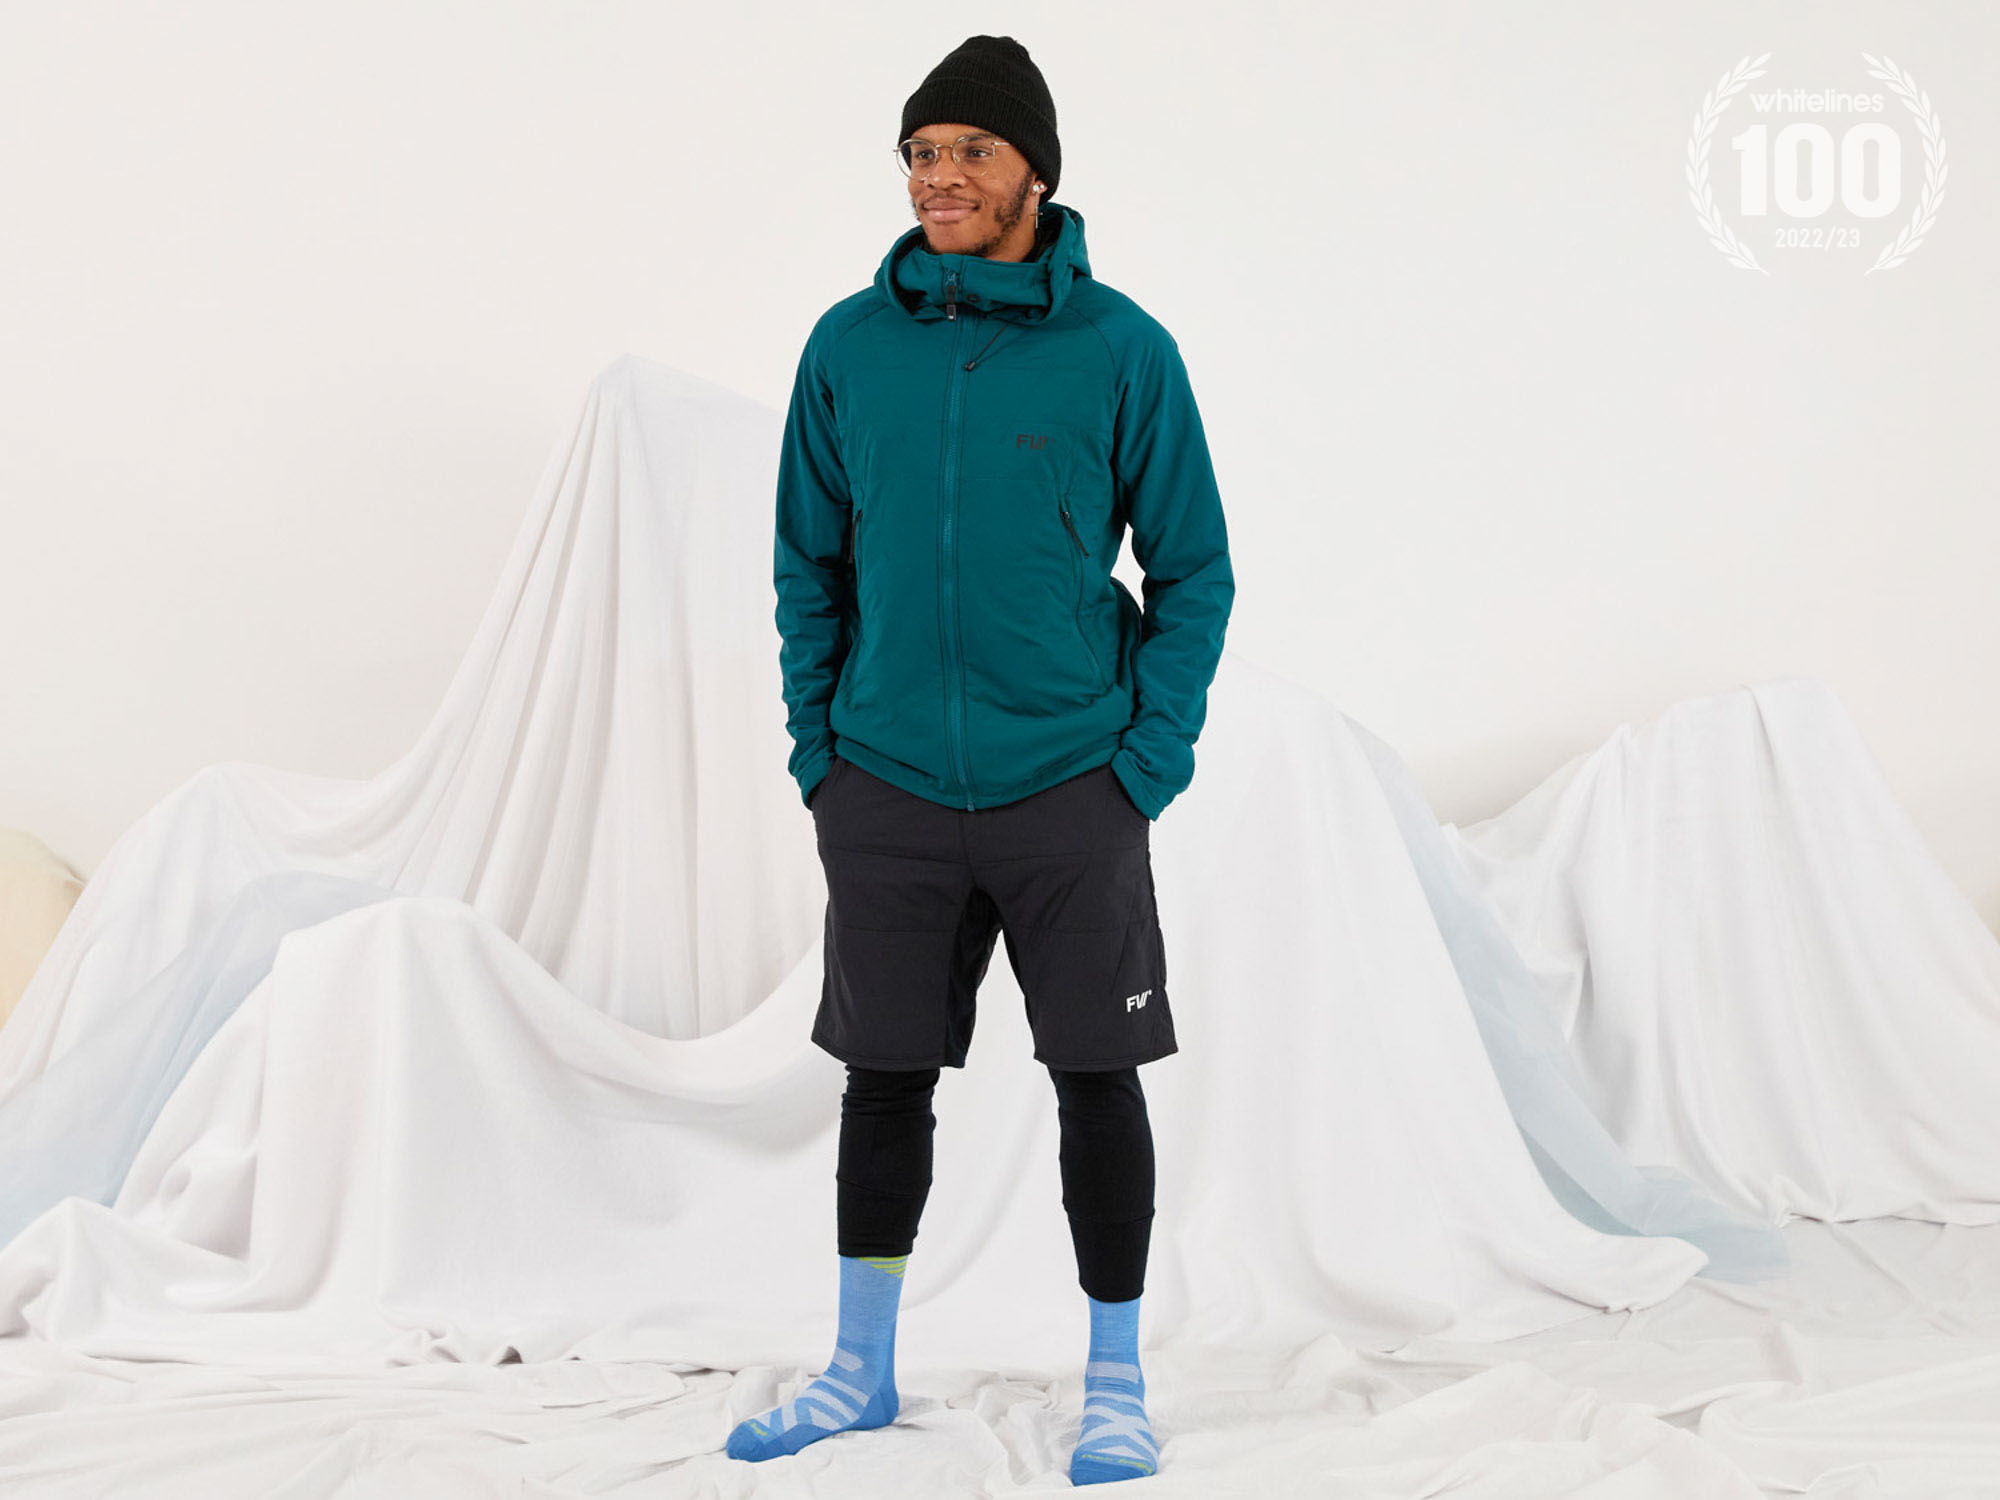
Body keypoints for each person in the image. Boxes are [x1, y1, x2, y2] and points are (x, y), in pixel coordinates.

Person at [734, 33, 1233, 1486]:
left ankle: (1118, 1384)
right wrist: (822, 752)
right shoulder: (848, 347)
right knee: (881, 1081)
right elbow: (807, 564)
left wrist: (1145, 763)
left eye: (970, 151)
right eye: (921, 152)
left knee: (1098, 1079)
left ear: (1035, 174)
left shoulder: (1122, 350)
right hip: (884, 785)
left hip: (1071, 785)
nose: (937, 176)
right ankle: (858, 1371)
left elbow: (1193, 569)